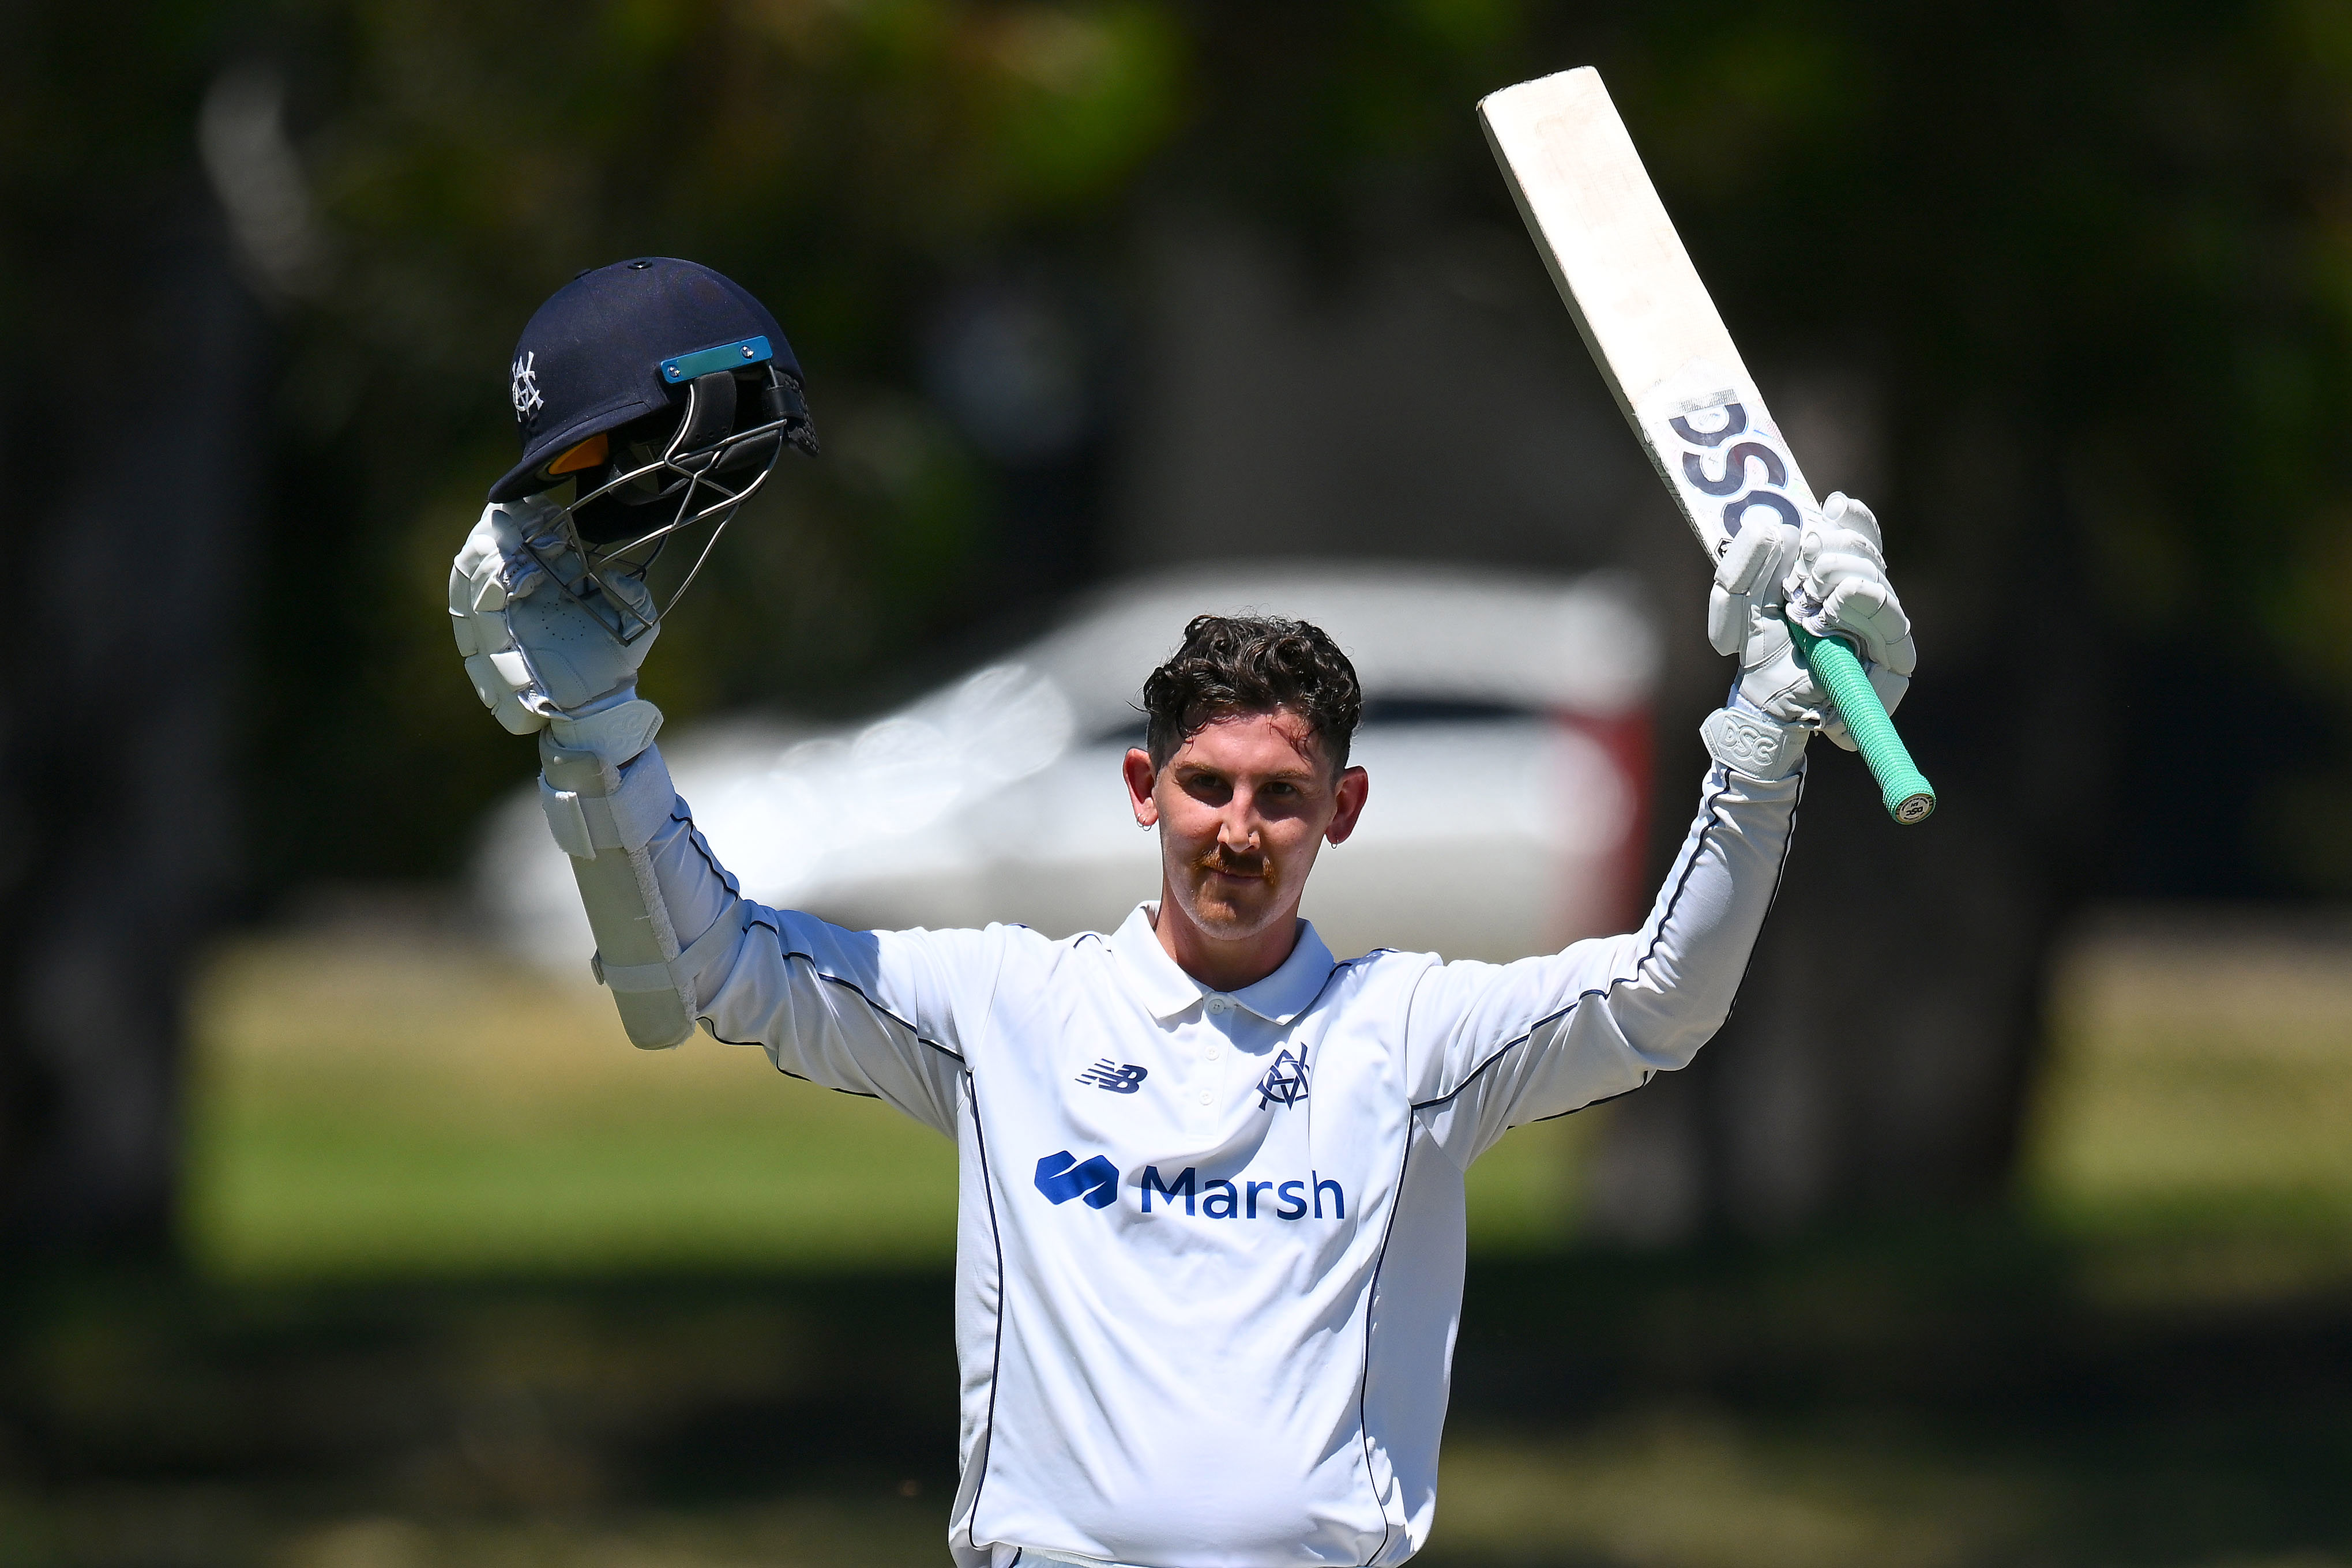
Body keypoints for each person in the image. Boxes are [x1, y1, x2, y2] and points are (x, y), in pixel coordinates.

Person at [449, 260, 1917, 1568]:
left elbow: (1663, 999)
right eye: (1206, 788)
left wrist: (1763, 740)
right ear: (1142, 789)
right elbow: (716, 964)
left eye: (1281, 797)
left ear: (1338, 814)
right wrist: (600, 737)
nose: (1238, 831)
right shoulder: (1004, 1013)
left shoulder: (1406, 1037)